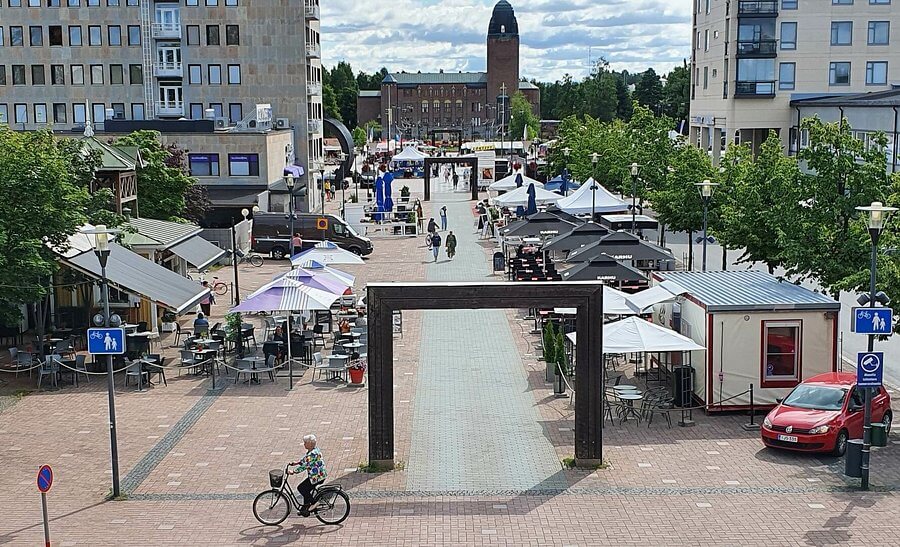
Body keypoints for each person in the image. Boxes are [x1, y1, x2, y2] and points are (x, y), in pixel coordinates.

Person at [288, 434, 328, 517]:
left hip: (317, 477)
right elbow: (306, 459)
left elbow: (306, 465)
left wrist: (294, 471)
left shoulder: (312, 454)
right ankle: (305, 509)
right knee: (305, 489)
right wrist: (297, 463)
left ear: (310, 444)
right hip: (318, 475)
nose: (304, 444)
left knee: (301, 488)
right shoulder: (314, 450)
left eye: (305, 442)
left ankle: (314, 503)